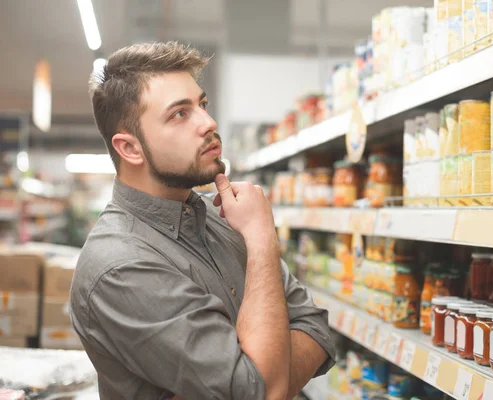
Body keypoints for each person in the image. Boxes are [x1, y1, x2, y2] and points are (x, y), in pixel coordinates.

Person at [70, 41, 336, 400]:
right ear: (130, 148)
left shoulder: (222, 217)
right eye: (180, 114)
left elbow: (316, 326)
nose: (209, 123)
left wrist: (264, 379)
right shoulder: (119, 265)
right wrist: (260, 241)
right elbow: (254, 392)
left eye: (202, 105)